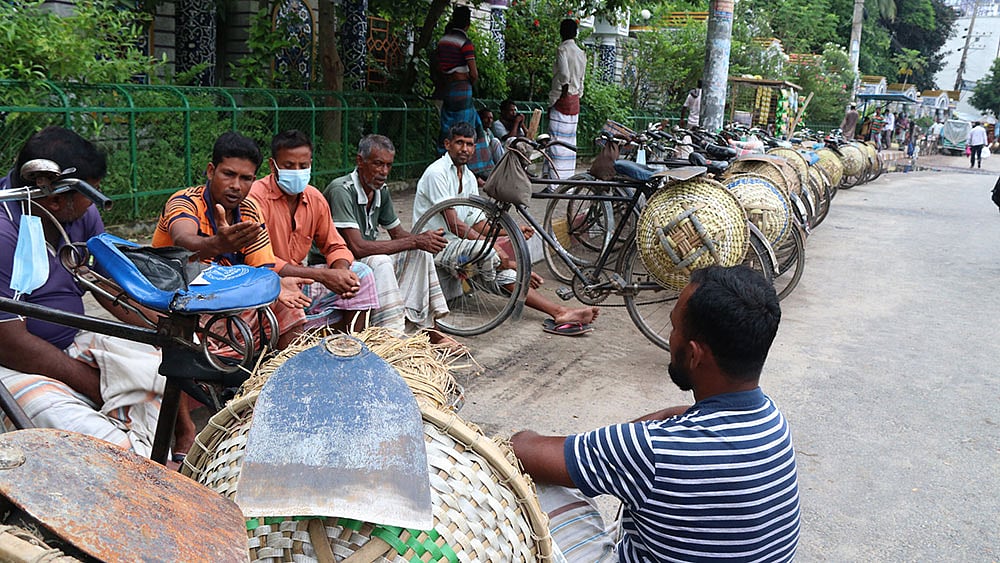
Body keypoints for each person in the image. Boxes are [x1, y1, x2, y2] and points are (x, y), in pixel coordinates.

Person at [511, 265, 800, 561]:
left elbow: (520, 448)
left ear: (694, 354)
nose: (671, 337)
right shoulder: (774, 423)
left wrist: (635, 435)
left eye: (674, 327)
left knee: (541, 483)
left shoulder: (654, 448)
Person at [0, 126, 195, 462]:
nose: (94, 204)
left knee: (162, 370)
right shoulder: (4, 232)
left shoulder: (79, 214)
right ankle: (147, 474)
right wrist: (97, 385)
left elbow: (109, 285)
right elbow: (10, 343)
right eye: (90, 194)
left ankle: (182, 437)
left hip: (71, 340)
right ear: (55, 198)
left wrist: (167, 331)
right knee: (106, 449)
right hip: (11, 365)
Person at [413, 123, 599, 336]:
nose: (464, 149)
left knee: (501, 270)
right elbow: (454, 223)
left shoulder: (469, 178)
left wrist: (510, 231)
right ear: (448, 144)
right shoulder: (437, 173)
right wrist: (497, 252)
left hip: (460, 246)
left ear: (474, 148)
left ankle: (559, 311)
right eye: (459, 143)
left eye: (469, 144)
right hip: (435, 245)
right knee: (494, 257)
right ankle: (516, 268)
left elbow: (477, 223)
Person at [152, 131, 317, 347]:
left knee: (288, 304)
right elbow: (183, 240)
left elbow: (261, 268)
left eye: (246, 178)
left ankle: (282, 373)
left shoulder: (249, 210)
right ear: (211, 171)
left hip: (226, 299)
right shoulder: (185, 201)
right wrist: (217, 245)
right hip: (179, 300)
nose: (236, 186)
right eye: (229, 174)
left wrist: (277, 284)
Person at [323, 134, 462, 350]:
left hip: (363, 262)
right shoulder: (342, 190)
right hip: (335, 266)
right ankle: (391, 337)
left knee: (420, 254)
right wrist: (416, 241)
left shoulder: (381, 191)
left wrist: (427, 241)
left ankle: (430, 328)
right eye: (378, 164)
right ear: (360, 161)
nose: (384, 172)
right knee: (381, 261)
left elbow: (397, 234)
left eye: (388, 165)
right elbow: (357, 247)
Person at [249, 130, 378, 341]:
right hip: (268, 282)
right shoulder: (255, 198)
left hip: (302, 280)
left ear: (310, 164)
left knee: (360, 275)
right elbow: (260, 260)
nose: (297, 172)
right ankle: (291, 360)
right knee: (286, 300)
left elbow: (335, 245)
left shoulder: (314, 198)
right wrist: (322, 276)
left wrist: (340, 273)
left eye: (303, 166)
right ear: (273, 166)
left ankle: (352, 347)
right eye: (289, 166)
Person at [545, 18, 586, 180]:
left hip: (561, 98)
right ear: (575, 33)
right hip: (575, 100)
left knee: (556, 142)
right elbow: (581, 80)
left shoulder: (562, 50)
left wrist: (561, 94)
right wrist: (575, 94)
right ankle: (566, 181)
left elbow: (564, 75)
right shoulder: (581, 53)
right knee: (569, 143)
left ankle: (554, 182)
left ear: (561, 32)